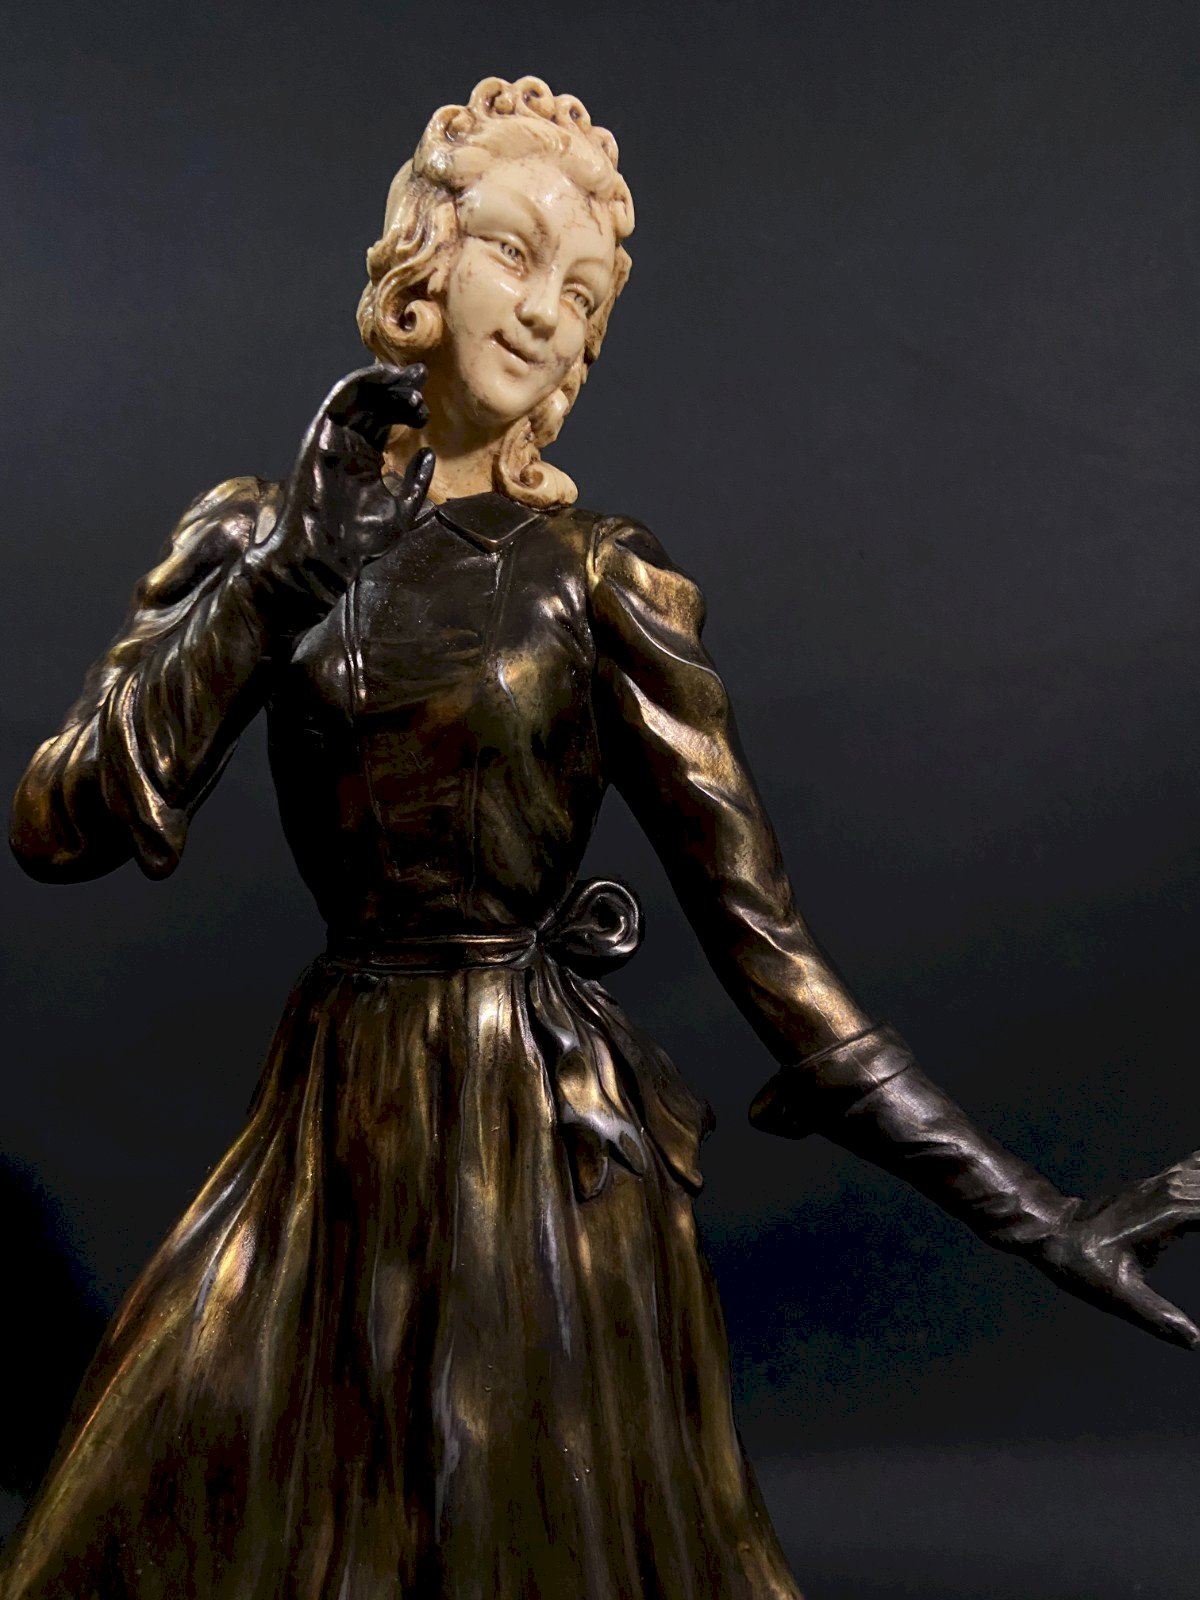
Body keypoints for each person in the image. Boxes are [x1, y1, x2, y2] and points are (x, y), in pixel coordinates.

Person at [5, 74, 1198, 1600]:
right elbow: (58, 827)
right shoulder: (262, 539)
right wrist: (284, 578)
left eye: (579, 297)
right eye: (514, 253)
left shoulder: (598, 580)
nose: (541, 311)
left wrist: (1041, 1221)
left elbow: (773, 957)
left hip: (537, 1156)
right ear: (423, 263)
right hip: (333, 1134)